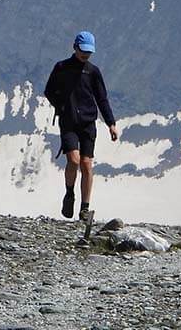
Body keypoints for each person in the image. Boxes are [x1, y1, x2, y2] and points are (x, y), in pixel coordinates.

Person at [43, 30, 118, 221]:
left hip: (88, 123)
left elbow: (102, 98)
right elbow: (49, 90)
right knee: (73, 161)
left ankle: (85, 207)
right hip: (68, 122)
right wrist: (61, 105)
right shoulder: (61, 67)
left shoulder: (93, 72)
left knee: (86, 164)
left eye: (89, 52)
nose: (85, 55)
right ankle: (69, 193)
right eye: (83, 51)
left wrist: (111, 123)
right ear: (75, 47)